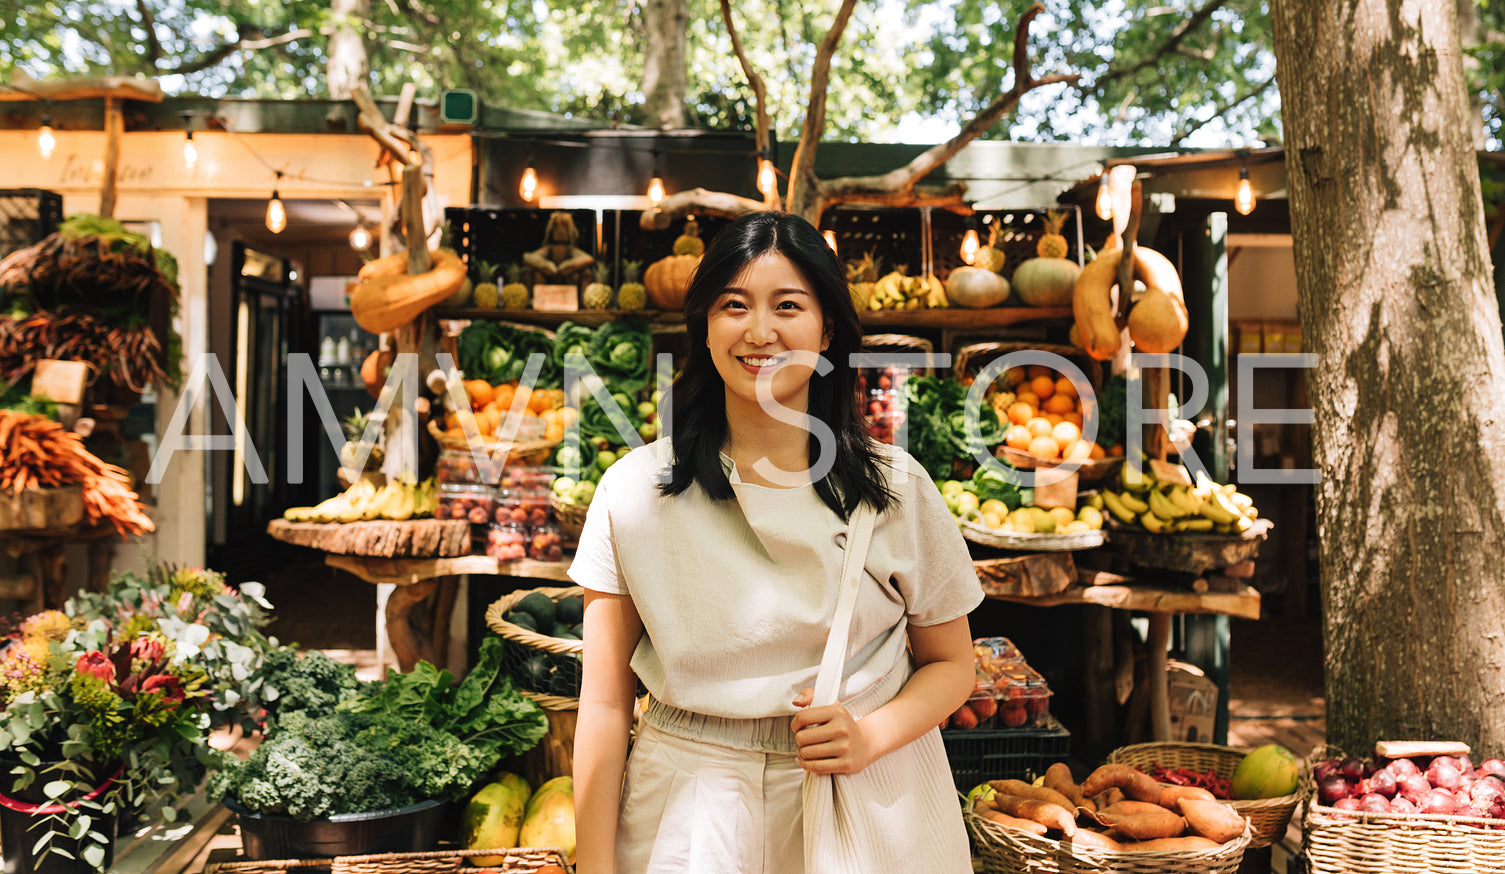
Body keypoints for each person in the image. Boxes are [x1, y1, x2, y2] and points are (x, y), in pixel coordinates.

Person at [571, 210, 983, 874]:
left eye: (787, 305)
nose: (758, 331)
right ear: (703, 326)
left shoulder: (895, 490)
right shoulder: (633, 492)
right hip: (684, 804)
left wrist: (869, 734)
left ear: (825, 331)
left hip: (858, 795)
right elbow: (604, 701)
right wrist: (594, 867)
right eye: (734, 305)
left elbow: (951, 664)